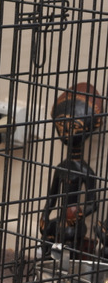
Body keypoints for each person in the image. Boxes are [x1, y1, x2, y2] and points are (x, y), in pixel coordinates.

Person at [38, 83, 103, 251]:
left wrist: (79, 213)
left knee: (68, 233)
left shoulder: (85, 171)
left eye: (74, 126)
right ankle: (46, 260)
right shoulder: (61, 167)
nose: (66, 132)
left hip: (74, 224)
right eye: (61, 125)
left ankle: (65, 261)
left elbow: (93, 203)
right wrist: (45, 215)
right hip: (61, 219)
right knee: (47, 230)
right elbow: (52, 197)